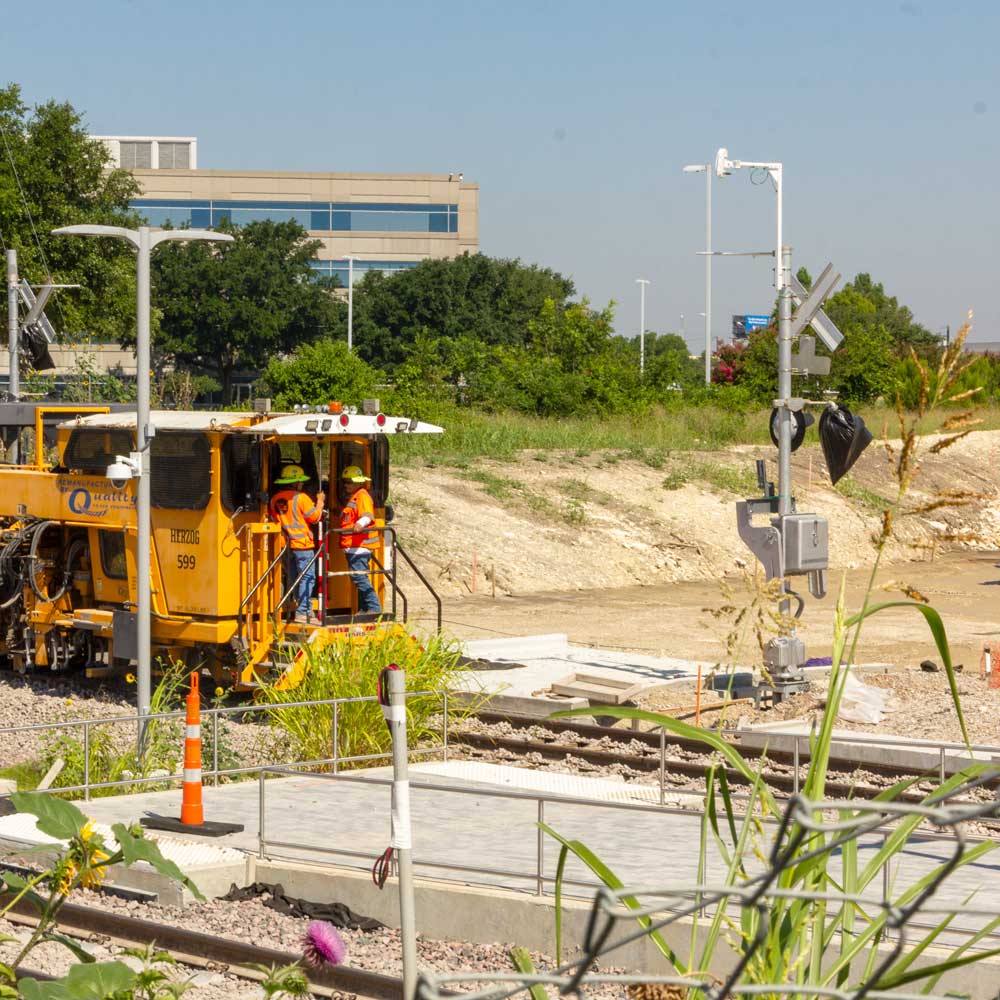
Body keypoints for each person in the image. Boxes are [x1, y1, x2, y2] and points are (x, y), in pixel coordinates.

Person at [270, 464, 325, 623]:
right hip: (302, 546)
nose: (302, 484)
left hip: (285, 546)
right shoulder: (301, 498)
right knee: (308, 577)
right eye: (300, 482)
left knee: (294, 577)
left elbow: (275, 519)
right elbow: (314, 517)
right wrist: (320, 502)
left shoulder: (275, 500)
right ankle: (302, 612)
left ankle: (304, 609)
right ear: (296, 483)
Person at [339, 465, 382, 615]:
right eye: (345, 482)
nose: (346, 485)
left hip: (360, 545)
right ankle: (364, 609)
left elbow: (367, 515)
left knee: (358, 576)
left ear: (358, 483)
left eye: (349, 482)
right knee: (358, 575)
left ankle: (374, 607)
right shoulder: (354, 497)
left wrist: (359, 524)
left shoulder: (362, 496)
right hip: (353, 545)